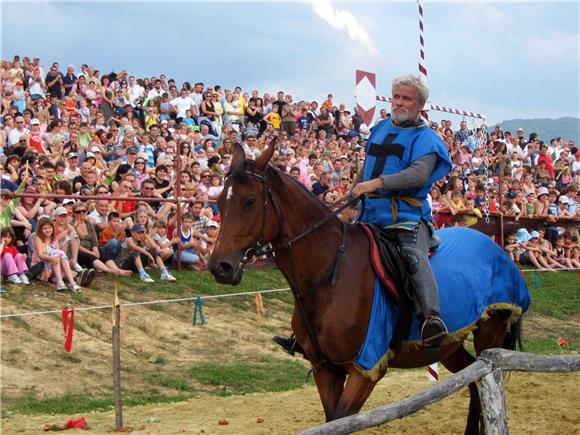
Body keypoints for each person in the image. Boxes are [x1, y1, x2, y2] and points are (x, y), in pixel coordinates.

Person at [274, 75, 452, 358]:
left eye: (406, 98)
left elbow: (418, 174)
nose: (399, 103)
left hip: (406, 218)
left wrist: (377, 184)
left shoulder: (427, 139)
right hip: (370, 216)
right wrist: (352, 195)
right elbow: (368, 168)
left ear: (419, 105)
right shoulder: (381, 128)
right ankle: (306, 332)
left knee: (413, 259)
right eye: (396, 97)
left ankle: (431, 319)